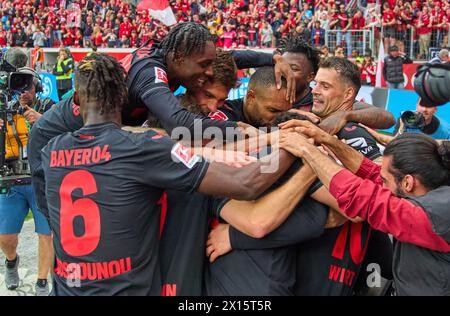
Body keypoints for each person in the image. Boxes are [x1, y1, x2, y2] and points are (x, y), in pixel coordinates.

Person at [41, 53, 294, 296]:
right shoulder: (142, 149)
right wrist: (293, 144)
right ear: (123, 95)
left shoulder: (52, 151)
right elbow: (246, 185)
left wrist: (206, 151)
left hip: (67, 287)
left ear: (76, 98)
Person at [208, 57, 393, 296]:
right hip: (302, 270)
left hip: (331, 270)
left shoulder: (348, 131)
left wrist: (236, 236)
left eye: (325, 86)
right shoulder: (306, 119)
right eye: (316, 84)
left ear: (348, 95)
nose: (315, 91)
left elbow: (366, 198)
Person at [278, 125, 450, 295]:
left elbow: (363, 198)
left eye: (385, 181)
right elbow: (372, 172)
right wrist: (326, 139)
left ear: (407, 182)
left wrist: (307, 150)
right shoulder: (432, 191)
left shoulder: (434, 215)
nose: (380, 184)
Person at [0, 67, 55, 296]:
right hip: (10, 180)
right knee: (5, 237)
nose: (23, 92)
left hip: (40, 180)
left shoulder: (50, 107)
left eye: (28, 86)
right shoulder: (5, 109)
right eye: (18, 86)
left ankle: (42, 281)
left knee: (46, 234)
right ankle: (11, 261)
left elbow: (68, 133)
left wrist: (43, 121)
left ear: (37, 86)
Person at [277, 35, 395, 136]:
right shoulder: (269, 92)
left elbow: (387, 118)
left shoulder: (321, 101)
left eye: (293, 69)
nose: (284, 72)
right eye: (282, 66)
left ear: (310, 77)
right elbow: (265, 156)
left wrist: (345, 115)